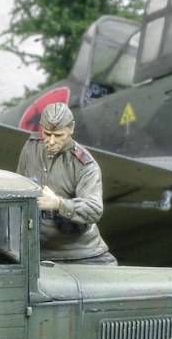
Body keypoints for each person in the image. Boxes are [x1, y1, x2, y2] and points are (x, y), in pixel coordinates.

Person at [16, 102, 116, 264]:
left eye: (59, 135)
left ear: (71, 129)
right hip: (36, 248)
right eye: (47, 134)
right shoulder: (31, 148)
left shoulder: (85, 165)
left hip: (79, 251)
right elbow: (18, 185)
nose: (51, 141)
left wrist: (58, 204)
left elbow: (94, 209)